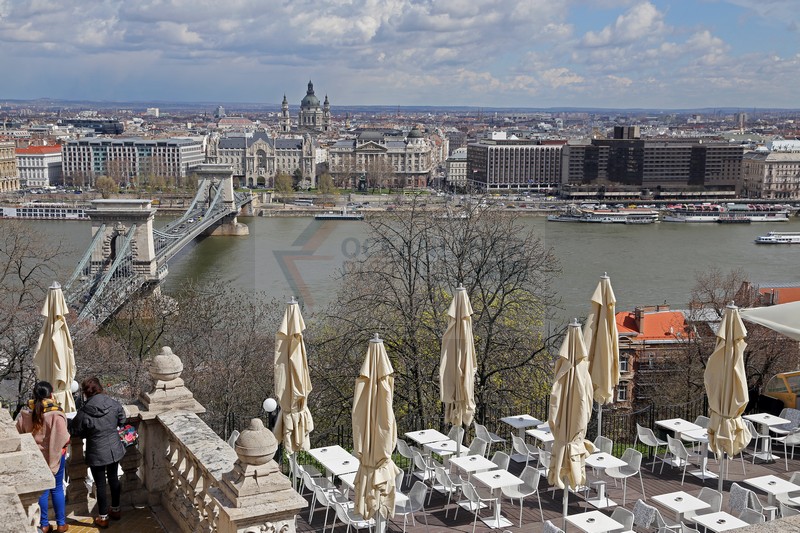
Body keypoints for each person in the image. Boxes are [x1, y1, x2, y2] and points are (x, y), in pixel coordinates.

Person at [69, 377, 126, 528]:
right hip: (114, 448)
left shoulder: (84, 411)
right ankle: (116, 510)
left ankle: (103, 517)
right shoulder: (113, 403)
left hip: (96, 451)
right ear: (100, 388)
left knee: (100, 484)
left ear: (85, 393)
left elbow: (75, 430)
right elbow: (122, 420)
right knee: (113, 479)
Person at [15, 381, 70, 533]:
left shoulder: (27, 414)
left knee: (42, 491)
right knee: (57, 488)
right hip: (56, 456)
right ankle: (61, 524)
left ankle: (44, 525)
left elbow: (18, 433)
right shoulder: (56, 413)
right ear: (51, 394)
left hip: (36, 458)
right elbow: (64, 437)